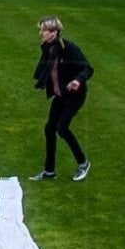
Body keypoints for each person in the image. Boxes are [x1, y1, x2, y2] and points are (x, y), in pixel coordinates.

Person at [31, 17, 92, 182]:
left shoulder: (69, 48)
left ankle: (83, 163)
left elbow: (87, 68)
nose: (40, 33)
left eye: (43, 30)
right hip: (60, 96)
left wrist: (77, 80)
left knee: (62, 128)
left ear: (54, 32)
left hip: (74, 96)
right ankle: (49, 171)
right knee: (49, 129)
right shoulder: (48, 47)